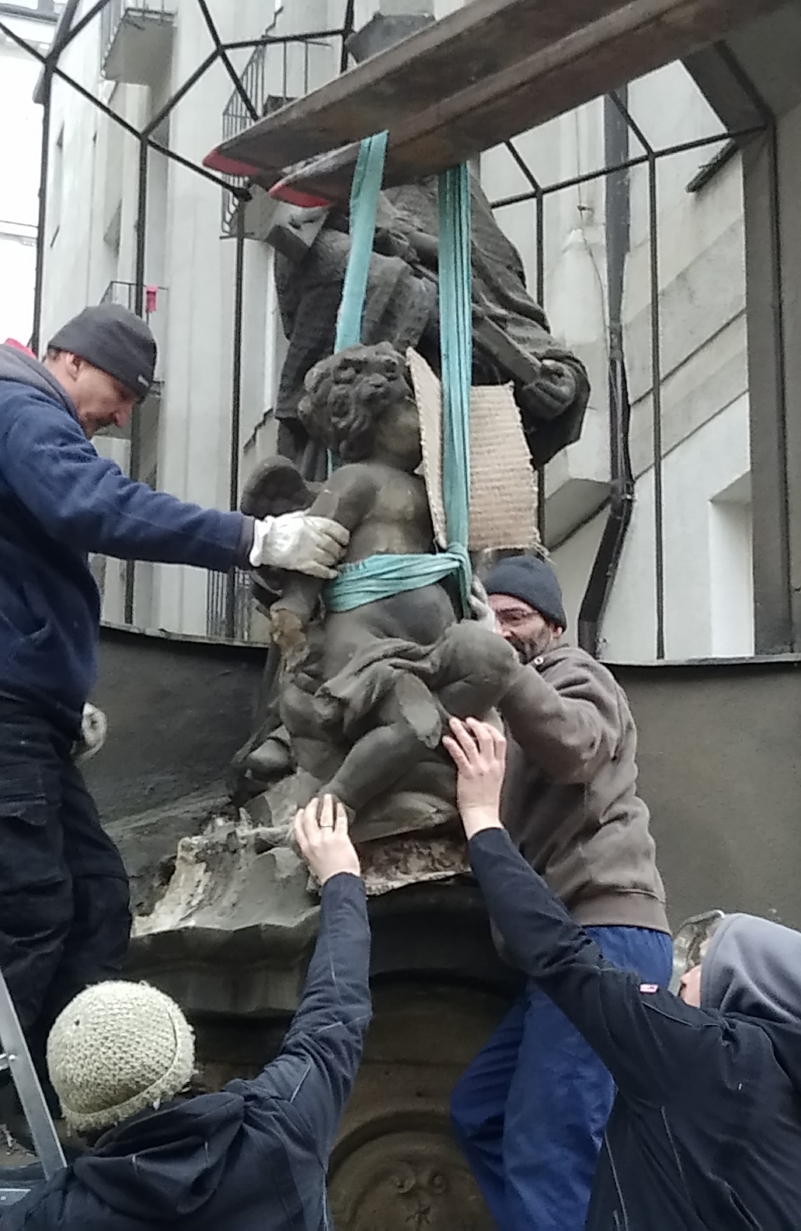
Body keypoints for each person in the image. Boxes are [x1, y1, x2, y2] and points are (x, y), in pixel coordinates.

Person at [0, 304, 350, 1101]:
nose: (122, 415)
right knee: (30, 910)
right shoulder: (19, 402)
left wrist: (57, 699)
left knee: (95, 901)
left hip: (28, 715)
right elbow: (93, 504)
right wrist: (252, 539)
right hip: (10, 714)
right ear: (68, 360)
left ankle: (65, 1098)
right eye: (120, 392)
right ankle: (13, 1114)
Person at [443, 717, 801, 1231]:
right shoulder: (787, 1093)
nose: (685, 974)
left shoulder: (704, 1056)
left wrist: (481, 818)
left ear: (739, 984)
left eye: (703, 962)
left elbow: (564, 957)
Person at [1, 794, 370, 1231]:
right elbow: (335, 1012)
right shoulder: (281, 1126)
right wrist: (342, 879)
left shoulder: (52, 1216)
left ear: (74, 1111)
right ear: (183, 1057)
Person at [448, 553, 673, 1231]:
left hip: (606, 934)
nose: (504, 630)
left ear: (552, 624)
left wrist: (496, 660)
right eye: (492, 617)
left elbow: (574, 744)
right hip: (567, 949)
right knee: (480, 1114)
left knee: (552, 1149)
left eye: (514, 617)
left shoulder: (578, 674)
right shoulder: (516, 706)